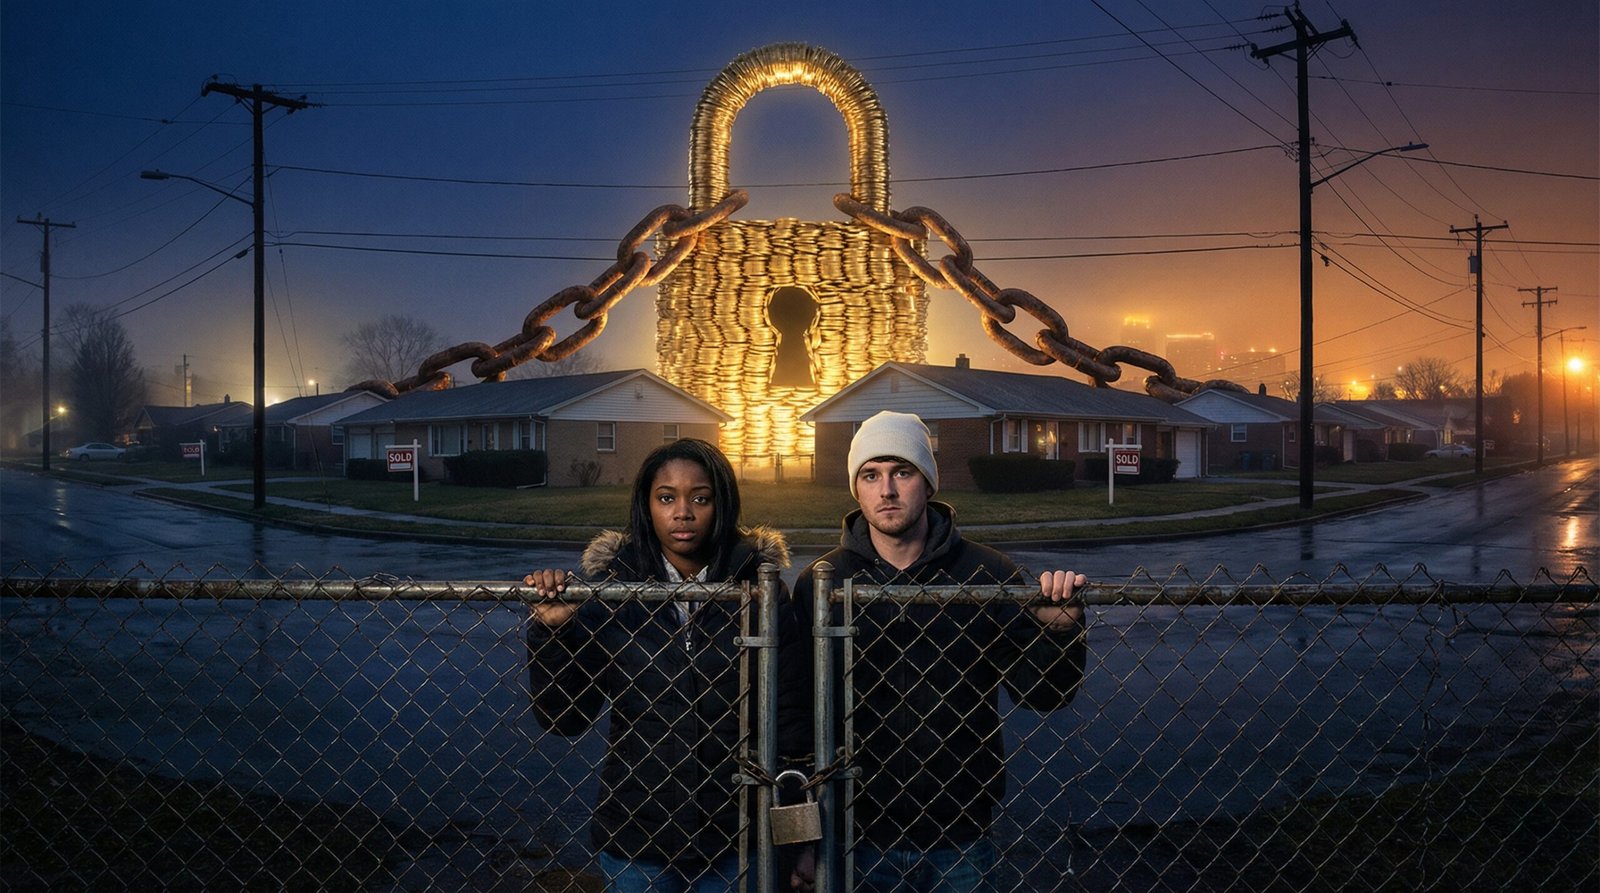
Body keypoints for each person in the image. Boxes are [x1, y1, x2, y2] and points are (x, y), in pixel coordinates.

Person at [791, 411, 1088, 892]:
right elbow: (797, 712)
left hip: (961, 831)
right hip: (856, 828)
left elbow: (1046, 694)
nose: (886, 490)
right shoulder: (824, 581)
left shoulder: (986, 573)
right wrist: (803, 834)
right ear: (857, 489)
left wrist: (1058, 632)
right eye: (871, 475)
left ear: (927, 481)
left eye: (901, 472)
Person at [526, 438, 807, 893]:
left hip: (738, 839)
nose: (683, 513)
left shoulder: (760, 589)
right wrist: (554, 633)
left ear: (721, 503)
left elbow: (793, 720)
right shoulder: (612, 590)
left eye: (700, 498)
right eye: (666, 498)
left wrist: (798, 840)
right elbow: (563, 717)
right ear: (647, 504)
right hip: (637, 840)